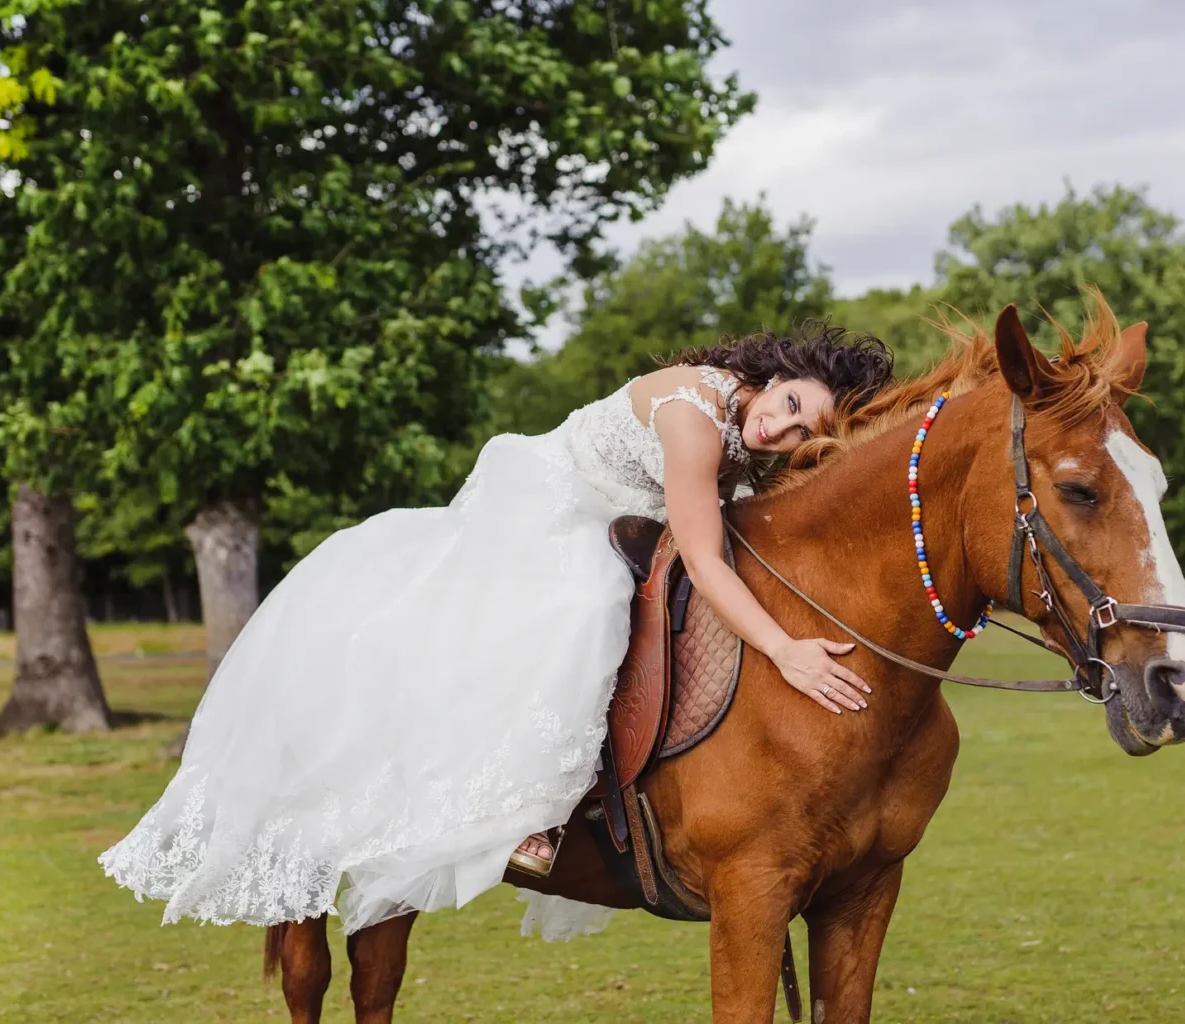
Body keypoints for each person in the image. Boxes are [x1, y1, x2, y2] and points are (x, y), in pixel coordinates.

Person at [99, 323, 895, 937]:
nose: (781, 433)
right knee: (583, 607)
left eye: (802, 434)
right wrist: (784, 650)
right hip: (555, 498)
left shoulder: (754, 442)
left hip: (629, 516)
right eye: (790, 404)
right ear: (772, 374)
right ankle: (530, 815)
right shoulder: (695, 416)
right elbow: (709, 556)